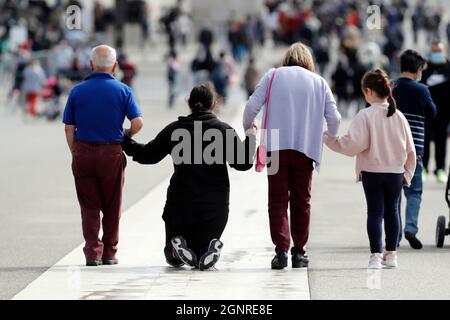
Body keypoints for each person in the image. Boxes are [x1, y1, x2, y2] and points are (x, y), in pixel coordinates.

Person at [122, 83, 256, 270]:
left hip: (180, 207)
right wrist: (251, 136)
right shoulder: (223, 130)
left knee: (173, 258)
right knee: (201, 252)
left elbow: (147, 155)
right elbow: (243, 164)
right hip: (215, 209)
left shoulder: (175, 130)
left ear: (189, 104)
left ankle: (177, 249)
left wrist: (123, 140)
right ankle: (208, 248)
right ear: (215, 104)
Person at [243, 42, 341, 270]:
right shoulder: (319, 82)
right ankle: (299, 252)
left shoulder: (273, 76)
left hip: (275, 144)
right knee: (302, 201)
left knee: (277, 201)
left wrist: (250, 127)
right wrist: (329, 136)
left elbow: (251, 107)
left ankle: (281, 251)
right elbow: (334, 118)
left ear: (287, 58)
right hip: (305, 146)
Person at [324, 69, 416, 269]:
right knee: (393, 212)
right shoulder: (399, 116)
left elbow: (352, 145)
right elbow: (411, 150)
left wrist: (330, 140)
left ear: (369, 91)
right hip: (395, 173)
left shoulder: (365, 115)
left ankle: (375, 256)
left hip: (372, 172)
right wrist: (407, 173)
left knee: (375, 213)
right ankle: (391, 255)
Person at [63, 45, 144, 266]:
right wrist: (126, 133)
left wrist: (75, 151)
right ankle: (109, 252)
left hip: (83, 151)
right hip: (111, 152)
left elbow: (69, 128)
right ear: (115, 66)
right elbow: (138, 123)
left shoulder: (77, 91)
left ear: (90, 65)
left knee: (88, 206)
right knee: (112, 204)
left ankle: (92, 252)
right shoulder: (123, 90)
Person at [392, 50, 437, 249]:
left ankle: (394, 235)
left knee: (393, 195)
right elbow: (432, 112)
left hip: (390, 150)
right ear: (418, 70)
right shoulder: (422, 90)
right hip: (414, 149)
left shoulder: (390, 87)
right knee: (414, 192)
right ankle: (410, 228)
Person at [422, 41, 450, 183]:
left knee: (441, 142)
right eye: (434, 50)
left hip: (444, 114)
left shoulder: (448, 68)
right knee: (425, 141)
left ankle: (440, 169)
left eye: (439, 50)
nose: (437, 53)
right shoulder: (425, 69)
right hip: (426, 113)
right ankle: (424, 169)